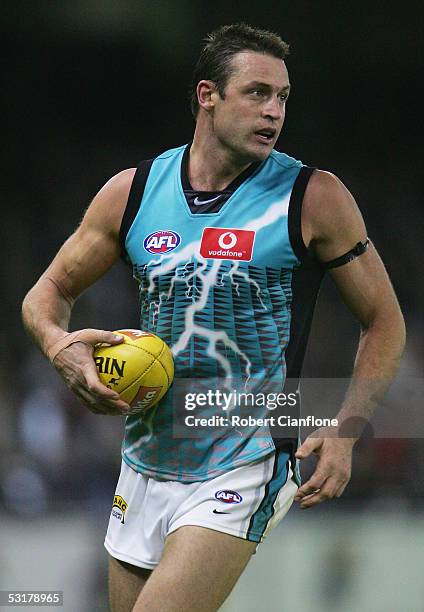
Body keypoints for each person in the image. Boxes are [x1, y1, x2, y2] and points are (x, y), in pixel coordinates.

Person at [22, 23, 405, 612]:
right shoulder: (134, 192)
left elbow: (384, 319)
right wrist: (57, 346)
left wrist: (347, 427)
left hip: (247, 454)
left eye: (282, 97)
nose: (274, 111)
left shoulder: (313, 197)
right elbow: (45, 295)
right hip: (146, 457)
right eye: (256, 93)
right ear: (208, 95)